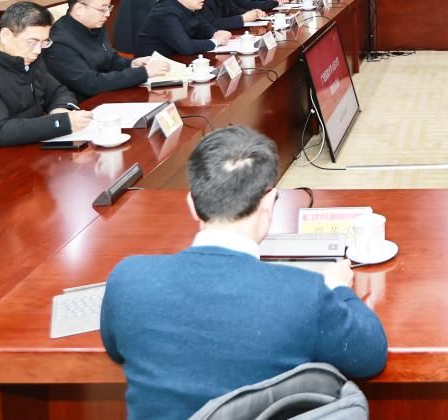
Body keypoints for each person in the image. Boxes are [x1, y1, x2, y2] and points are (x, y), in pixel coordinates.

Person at [100, 126, 388, 419]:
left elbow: (116, 350)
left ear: (192, 204)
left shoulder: (128, 279)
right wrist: (338, 288)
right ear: (269, 203)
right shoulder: (303, 293)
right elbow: (370, 357)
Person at [0, 1, 91, 168]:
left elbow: (59, 92)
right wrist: (60, 123)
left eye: (44, 42)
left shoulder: (29, 59)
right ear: (6, 36)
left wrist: (60, 109)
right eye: (32, 42)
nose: (38, 50)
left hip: (24, 154)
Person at [43, 0, 170, 102]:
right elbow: (90, 84)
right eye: (102, 9)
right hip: (85, 104)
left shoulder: (94, 24)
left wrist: (131, 64)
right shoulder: (59, 43)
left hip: (108, 93)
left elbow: (109, 59)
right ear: (79, 9)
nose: (108, 14)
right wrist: (142, 73)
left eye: (109, 7)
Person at [135, 0, 232, 58]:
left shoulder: (190, 7)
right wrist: (216, 41)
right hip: (154, 66)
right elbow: (187, 47)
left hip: (177, 59)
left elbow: (207, 28)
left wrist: (218, 34)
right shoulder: (164, 13)